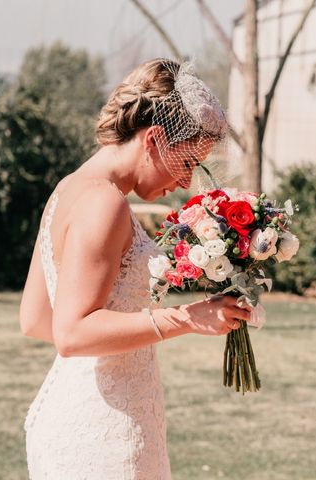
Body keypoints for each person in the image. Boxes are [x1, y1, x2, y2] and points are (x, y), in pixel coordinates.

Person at [19, 58, 252, 479]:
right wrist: (187, 318)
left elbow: (36, 320)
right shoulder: (104, 202)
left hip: (70, 413)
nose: (185, 183)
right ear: (154, 140)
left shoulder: (66, 190)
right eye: (185, 164)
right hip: (106, 431)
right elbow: (70, 335)